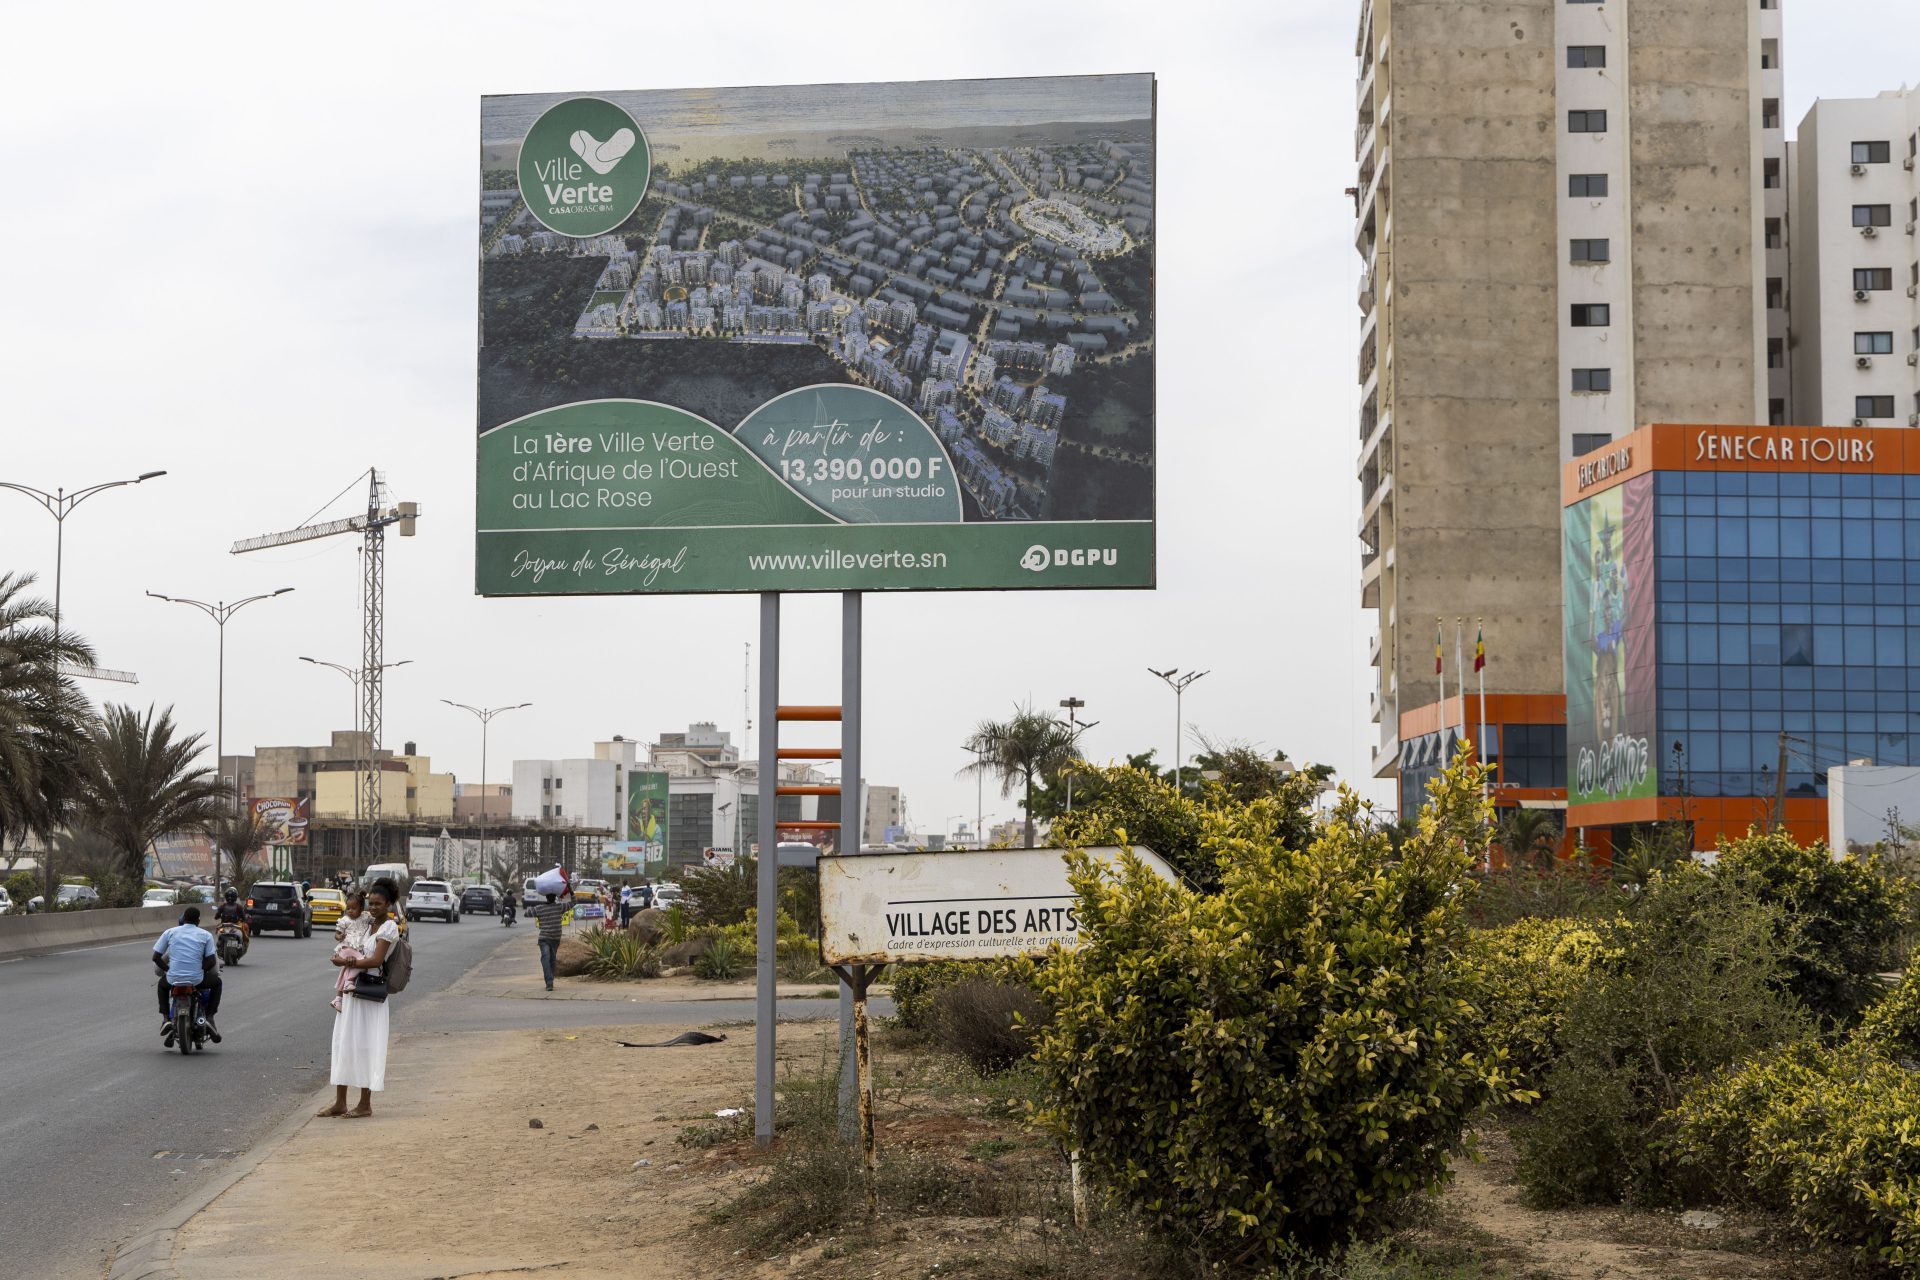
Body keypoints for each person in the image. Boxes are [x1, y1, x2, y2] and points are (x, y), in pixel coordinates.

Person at [319, 877, 402, 1119]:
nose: (373, 908)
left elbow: (376, 960)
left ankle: (365, 1104)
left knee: (366, 1046)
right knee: (343, 1042)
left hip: (369, 992)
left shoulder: (388, 928)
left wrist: (346, 961)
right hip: (352, 991)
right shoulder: (367, 924)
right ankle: (340, 1102)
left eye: (378, 904)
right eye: (371, 904)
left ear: (389, 904)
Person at [153, 906, 221, 1045]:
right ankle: (210, 1016)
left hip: (173, 978)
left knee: (162, 985)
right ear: (198, 920)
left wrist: (168, 970)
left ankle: (166, 1019)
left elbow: (156, 957)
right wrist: (200, 970)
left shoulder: (170, 932)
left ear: (183, 919)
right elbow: (211, 960)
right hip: (197, 979)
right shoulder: (205, 935)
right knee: (217, 983)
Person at [329, 889, 372, 1011]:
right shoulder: (344, 920)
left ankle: (338, 999)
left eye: (354, 908)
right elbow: (337, 934)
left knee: (345, 969)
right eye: (348, 908)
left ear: (361, 908)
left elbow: (376, 920)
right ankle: (349, 981)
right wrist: (340, 936)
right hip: (346, 948)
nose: (350, 911)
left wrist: (366, 897)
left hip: (357, 949)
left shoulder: (365, 917)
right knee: (363, 962)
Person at [529, 889, 568, 992]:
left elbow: (527, 913)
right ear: (554, 898)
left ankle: (550, 981)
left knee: (548, 959)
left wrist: (536, 907)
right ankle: (550, 982)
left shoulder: (540, 908)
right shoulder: (559, 907)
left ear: (546, 898)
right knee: (549, 959)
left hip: (548, 938)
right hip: (552, 938)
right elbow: (573, 903)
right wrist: (571, 891)